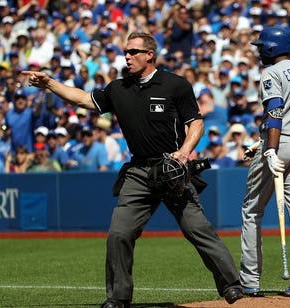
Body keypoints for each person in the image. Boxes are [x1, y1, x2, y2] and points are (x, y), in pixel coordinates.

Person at [22, 32, 244, 307]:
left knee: (197, 228)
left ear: (149, 54)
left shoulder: (175, 85)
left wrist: (184, 152)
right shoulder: (119, 88)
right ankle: (118, 297)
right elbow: (82, 99)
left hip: (172, 169)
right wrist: (50, 83)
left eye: (133, 51)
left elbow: (195, 123)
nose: (127, 56)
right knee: (118, 233)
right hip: (139, 171)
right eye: (126, 52)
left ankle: (232, 285)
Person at [240, 26, 290, 297]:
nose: (259, 50)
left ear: (272, 47)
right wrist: (261, 143)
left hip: (279, 144)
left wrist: (269, 149)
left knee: (252, 210)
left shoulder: (271, 72)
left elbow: (275, 112)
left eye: (262, 46)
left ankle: (249, 280)